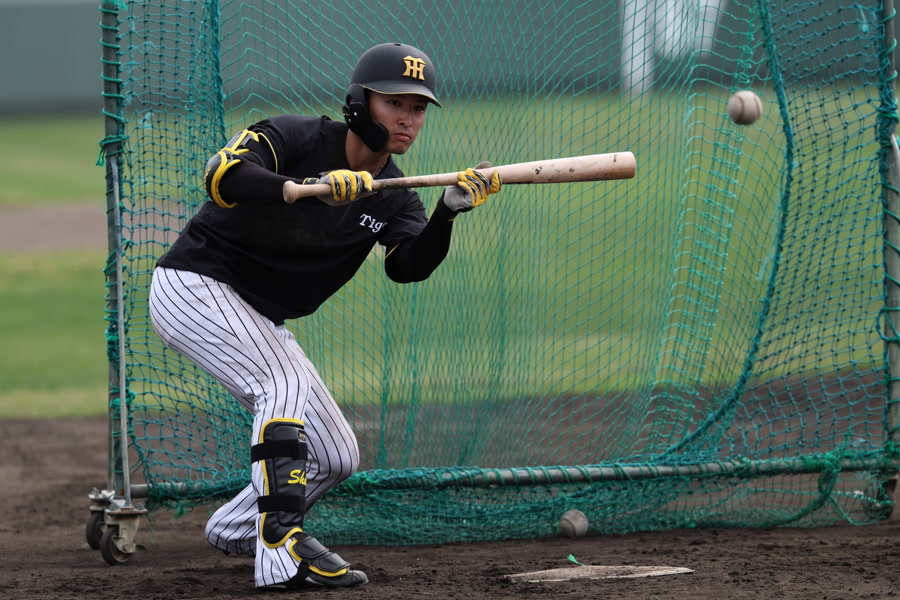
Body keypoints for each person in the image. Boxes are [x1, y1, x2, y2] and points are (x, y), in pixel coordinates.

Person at [147, 42, 501, 591]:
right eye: (394, 103)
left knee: (336, 456)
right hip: (195, 285)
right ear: (359, 104)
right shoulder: (295, 136)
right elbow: (222, 174)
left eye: (418, 108)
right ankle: (279, 548)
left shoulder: (395, 196)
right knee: (281, 382)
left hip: (259, 316)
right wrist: (301, 190)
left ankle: (237, 527)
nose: (408, 119)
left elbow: (407, 267)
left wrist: (447, 213)